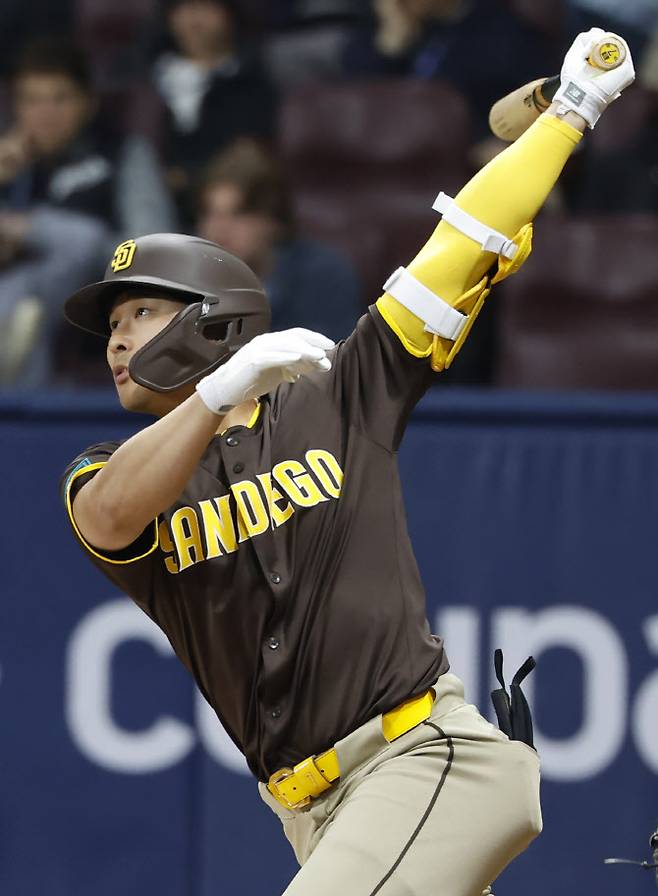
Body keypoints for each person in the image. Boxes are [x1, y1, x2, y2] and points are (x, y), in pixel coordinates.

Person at [59, 29, 634, 896]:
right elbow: (107, 517)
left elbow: (460, 248)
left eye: (137, 313)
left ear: (209, 318)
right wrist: (217, 398)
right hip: (316, 813)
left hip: (425, 758)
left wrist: (570, 114)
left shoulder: (336, 393)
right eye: (109, 327)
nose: (116, 341)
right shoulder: (114, 473)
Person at [0, 37, 176, 386]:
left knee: (68, 251)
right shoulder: (12, 168)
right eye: (32, 101)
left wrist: (37, 230)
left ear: (88, 103)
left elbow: (153, 253)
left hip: (98, 305)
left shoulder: (122, 155)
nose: (45, 114)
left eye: (60, 99)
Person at [197, 140, 362, 341]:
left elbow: (331, 362)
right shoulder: (187, 278)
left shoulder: (325, 277)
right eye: (212, 214)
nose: (220, 228)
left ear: (273, 221)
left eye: (239, 214)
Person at [152, 0, 277, 223]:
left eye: (206, 7)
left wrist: (188, 177)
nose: (194, 18)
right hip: (148, 201)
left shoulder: (252, 82)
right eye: (184, 7)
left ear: (229, 13)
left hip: (222, 209)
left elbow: (249, 154)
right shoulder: (140, 76)